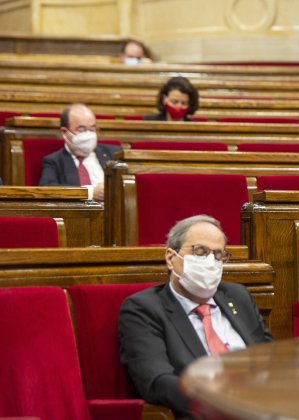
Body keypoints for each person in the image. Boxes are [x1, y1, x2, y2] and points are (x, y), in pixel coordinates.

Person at [118, 214, 273, 417]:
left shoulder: (238, 296)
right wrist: (219, 400)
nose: (210, 262)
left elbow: (270, 356)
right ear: (170, 258)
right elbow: (157, 381)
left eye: (218, 255)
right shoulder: (144, 309)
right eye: (200, 251)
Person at [39, 103, 121, 201]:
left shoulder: (115, 153)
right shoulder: (54, 161)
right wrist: (89, 193)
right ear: (64, 132)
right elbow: (47, 189)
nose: (89, 134)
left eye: (92, 129)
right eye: (81, 130)